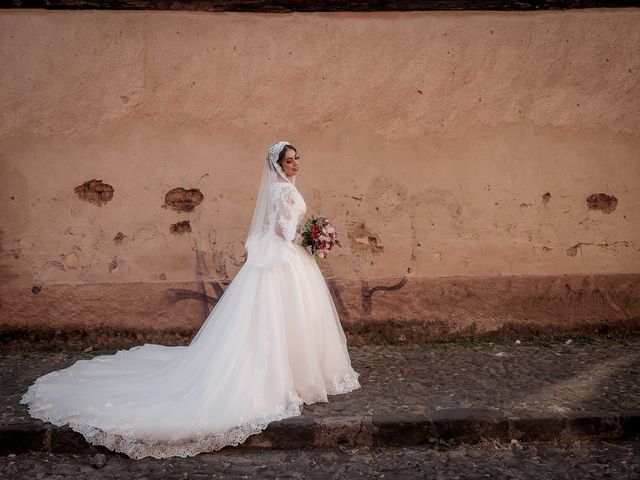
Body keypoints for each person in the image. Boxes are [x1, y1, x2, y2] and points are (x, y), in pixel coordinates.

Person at [20, 140, 361, 459]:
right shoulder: (283, 191)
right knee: (285, 315)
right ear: (278, 165)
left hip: (280, 258)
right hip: (284, 257)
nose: (295, 164)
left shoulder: (281, 189)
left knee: (278, 317)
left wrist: (310, 234)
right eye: (289, 161)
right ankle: (290, 375)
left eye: (296, 159)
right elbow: (281, 231)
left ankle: (291, 370)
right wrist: (309, 236)